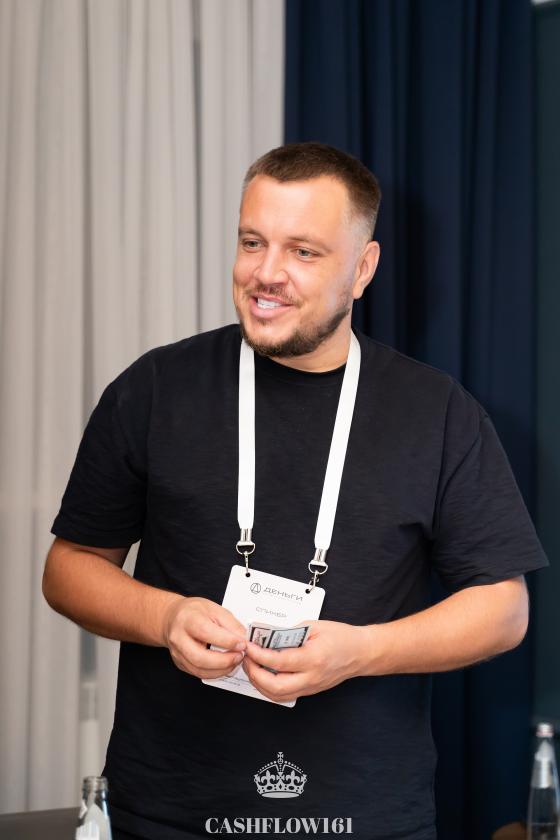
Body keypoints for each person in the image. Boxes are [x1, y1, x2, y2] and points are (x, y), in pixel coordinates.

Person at [43, 142, 548, 840]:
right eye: (253, 241)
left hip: (369, 817)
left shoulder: (438, 413)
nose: (266, 273)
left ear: (362, 269)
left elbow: (502, 609)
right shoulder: (154, 390)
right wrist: (165, 617)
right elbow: (69, 569)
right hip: (169, 811)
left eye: (303, 252)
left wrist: (359, 651)